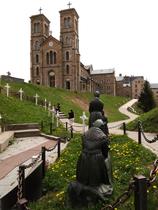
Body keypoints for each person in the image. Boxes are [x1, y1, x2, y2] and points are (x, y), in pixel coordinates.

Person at [76, 119, 113, 196]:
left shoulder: (85, 134)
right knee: (106, 161)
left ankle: (84, 185)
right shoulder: (103, 136)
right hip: (96, 158)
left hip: (83, 157)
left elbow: (83, 147)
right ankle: (101, 185)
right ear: (101, 127)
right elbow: (105, 153)